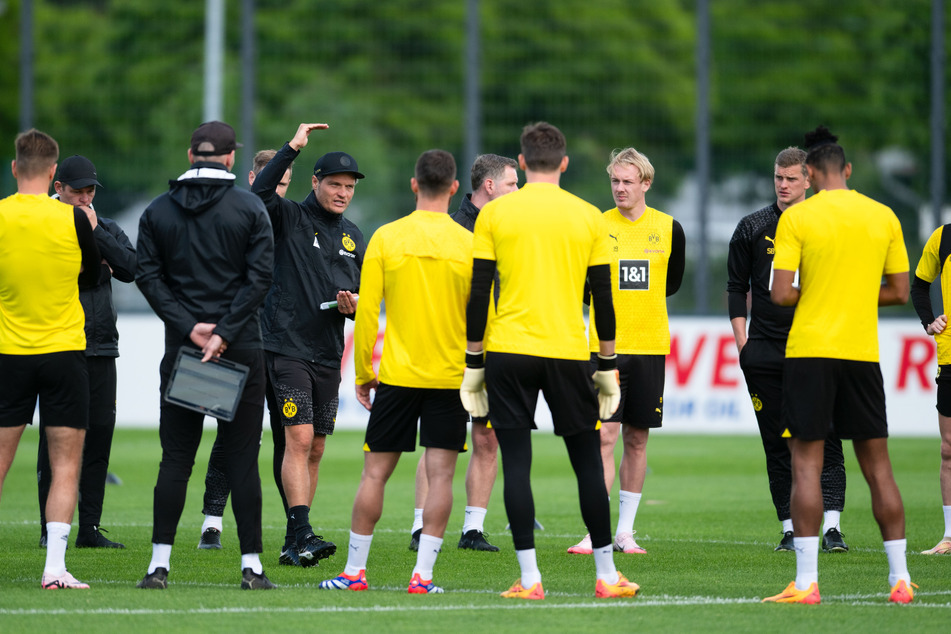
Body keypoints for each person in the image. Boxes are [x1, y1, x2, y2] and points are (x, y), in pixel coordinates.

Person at [460, 121, 638, 600]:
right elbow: (603, 298)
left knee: (516, 462)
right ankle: (606, 576)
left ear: (520, 162)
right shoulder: (588, 217)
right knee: (586, 463)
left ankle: (530, 579)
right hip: (565, 352)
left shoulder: (495, 215)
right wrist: (607, 365)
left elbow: (479, 293)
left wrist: (473, 361)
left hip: (507, 351)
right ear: (563, 163)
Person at [763, 126, 914, 605]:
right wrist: (851, 292)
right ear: (847, 171)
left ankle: (806, 584)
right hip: (861, 354)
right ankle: (901, 581)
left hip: (810, 353)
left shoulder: (798, 219)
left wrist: (822, 290)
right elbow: (900, 291)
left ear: (809, 174)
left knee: (806, 467)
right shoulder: (883, 215)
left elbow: (781, 293)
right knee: (879, 469)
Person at [320, 149, 472, 594]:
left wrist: (365, 370)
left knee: (375, 475)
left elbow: (367, 311)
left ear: (413, 184)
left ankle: (354, 573)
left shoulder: (387, 237)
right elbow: (484, 315)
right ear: (454, 188)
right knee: (441, 477)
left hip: (398, 377)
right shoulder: (470, 244)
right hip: (449, 376)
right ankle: (422, 577)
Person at [135, 121, 276, 590]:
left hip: (184, 351)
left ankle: (158, 566)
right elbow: (259, 280)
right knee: (240, 459)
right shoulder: (250, 207)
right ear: (233, 157)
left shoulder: (158, 211)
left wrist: (189, 328)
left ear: (190, 153)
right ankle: (252, 568)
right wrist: (226, 333)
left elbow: (148, 276)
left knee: (176, 458)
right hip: (241, 350)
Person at [251, 123, 366, 567]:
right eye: (334, 184)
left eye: (349, 186)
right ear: (314, 182)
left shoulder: (355, 235)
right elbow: (259, 195)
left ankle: (294, 537)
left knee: (316, 446)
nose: (341, 192)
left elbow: (363, 300)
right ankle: (302, 533)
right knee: (297, 439)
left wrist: (352, 305)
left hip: (327, 352)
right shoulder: (289, 216)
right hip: (286, 346)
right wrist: (292, 148)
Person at [726, 147, 849, 553]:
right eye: (778, 178)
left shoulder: (828, 223)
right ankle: (790, 528)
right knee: (776, 445)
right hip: (764, 353)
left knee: (826, 437)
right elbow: (735, 288)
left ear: (809, 179)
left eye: (791, 178)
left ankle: (831, 527)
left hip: (815, 349)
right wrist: (745, 346)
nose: (783, 185)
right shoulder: (753, 226)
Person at [567, 147, 685, 556]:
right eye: (614, 181)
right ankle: (595, 531)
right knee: (604, 438)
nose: (619, 188)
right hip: (604, 352)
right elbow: (583, 287)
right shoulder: (595, 226)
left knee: (637, 439)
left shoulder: (670, 228)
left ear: (646, 184)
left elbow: (671, 283)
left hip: (650, 347)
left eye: (627, 181)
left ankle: (625, 533)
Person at [0, 129, 100, 589]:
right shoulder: (77, 219)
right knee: (65, 463)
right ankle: (55, 569)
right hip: (63, 350)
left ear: (16, 167)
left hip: (9, 353)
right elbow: (93, 274)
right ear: (55, 173)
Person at [408, 153, 519, 553]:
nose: (517, 191)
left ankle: (473, 529)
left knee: (487, 438)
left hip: (497, 347)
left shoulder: (510, 229)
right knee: (439, 443)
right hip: (451, 350)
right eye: (511, 184)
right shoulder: (453, 228)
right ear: (489, 186)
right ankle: (421, 526)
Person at [34, 155, 136, 551]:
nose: (84, 196)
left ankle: (89, 529)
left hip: (102, 346)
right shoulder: (44, 228)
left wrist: (98, 235)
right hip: (59, 344)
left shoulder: (105, 225)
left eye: (90, 190)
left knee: (99, 437)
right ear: (57, 188)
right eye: (77, 190)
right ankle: (50, 526)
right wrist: (96, 264)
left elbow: (131, 268)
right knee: (56, 438)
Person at [197, 148, 293, 551]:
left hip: (283, 346)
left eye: (287, 184)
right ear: (254, 179)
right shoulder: (235, 217)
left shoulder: (292, 220)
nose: (280, 192)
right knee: (231, 436)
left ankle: (296, 526)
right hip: (237, 341)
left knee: (289, 441)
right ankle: (212, 521)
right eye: (276, 183)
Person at [910, 223, 951, 556]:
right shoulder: (944, 236)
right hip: (950, 356)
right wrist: (929, 321)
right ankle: (950, 537)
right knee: (948, 449)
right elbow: (919, 286)